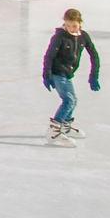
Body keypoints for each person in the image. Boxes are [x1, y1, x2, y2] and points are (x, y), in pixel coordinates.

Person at [42, 8, 100, 141]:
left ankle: (66, 126)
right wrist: (47, 75)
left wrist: (94, 76)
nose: (71, 28)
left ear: (80, 23)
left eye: (74, 25)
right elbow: (49, 56)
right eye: (68, 25)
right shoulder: (59, 37)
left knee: (73, 100)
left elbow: (94, 56)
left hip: (68, 73)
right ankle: (54, 130)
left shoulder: (83, 36)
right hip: (57, 73)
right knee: (69, 101)